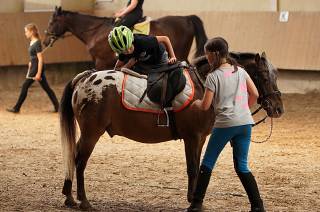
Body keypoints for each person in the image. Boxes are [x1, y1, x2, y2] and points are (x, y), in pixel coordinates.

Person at [187, 37, 265, 212]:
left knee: (207, 163)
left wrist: (195, 104)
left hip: (225, 125)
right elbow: (255, 94)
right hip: (245, 123)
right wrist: (242, 109)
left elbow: (205, 105)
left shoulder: (213, 77)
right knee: (242, 166)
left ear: (214, 54)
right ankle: (258, 206)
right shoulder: (241, 71)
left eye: (207, 55)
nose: (206, 58)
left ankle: (196, 204)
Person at [6, 23, 59, 113]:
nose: (25, 33)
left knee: (25, 86)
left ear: (32, 32)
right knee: (46, 88)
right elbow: (34, 56)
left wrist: (38, 73)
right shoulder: (32, 42)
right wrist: (31, 62)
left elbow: (40, 59)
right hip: (34, 66)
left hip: (37, 68)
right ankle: (58, 106)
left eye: (26, 31)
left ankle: (16, 108)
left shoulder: (37, 43)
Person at [108, 26, 177, 74]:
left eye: (130, 47)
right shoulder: (122, 50)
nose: (128, 51)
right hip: (144, 62)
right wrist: (127, 66)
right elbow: (116, 69)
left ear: (132, 41)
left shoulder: (142, 41)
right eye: (125, 51)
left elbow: (165, 38)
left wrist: (173, 56)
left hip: (159, 57)